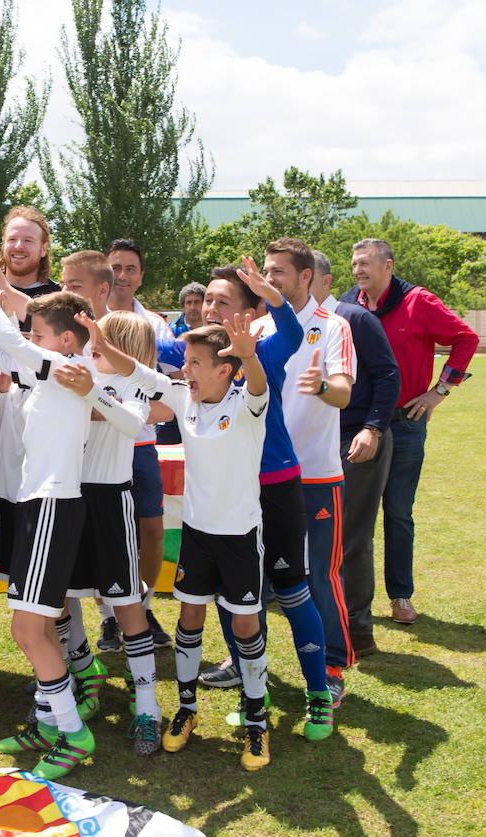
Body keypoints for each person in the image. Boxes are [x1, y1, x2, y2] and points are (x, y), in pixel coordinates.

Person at [157, 262, 336, 741]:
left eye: (222, 302)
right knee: (230, 600)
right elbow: (147, 347)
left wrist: (271, 297)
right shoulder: (201, 352)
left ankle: (320, 694)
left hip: (274, 486)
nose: (210, 308)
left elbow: (295, 331)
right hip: (224, 505)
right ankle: (253, 691)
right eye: (207, 300)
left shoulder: (264, 348)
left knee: (292, 591)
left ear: (249, 313)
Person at [86, 316, 272, 770]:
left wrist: (248, 355)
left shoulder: (246, 402)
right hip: (197, 535)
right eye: (184, 362)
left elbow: (258, 385)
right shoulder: (182, 397)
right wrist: (99, 342)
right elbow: (134, 368)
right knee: (190, 617)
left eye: (194, 363)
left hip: (241, 537)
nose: (184, 370)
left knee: (245, 628)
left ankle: (257, 720)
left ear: (223, 369)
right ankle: (186, 710)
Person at [0, 261, 97, 780]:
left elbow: (15, 347)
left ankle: (73, 733)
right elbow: (27, 383)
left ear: (62, 342)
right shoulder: (55, 375)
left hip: (53, 507)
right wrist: (9, 385)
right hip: (37, 505)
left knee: (27, 628)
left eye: (38, 333)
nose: (28, 338)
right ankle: (50, 722)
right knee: (33, 624)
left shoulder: (69, 367)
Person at [340, 239, 478, 625]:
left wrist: (439, 392)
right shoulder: (348, 303)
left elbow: (466, 338)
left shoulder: (419, 302)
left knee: (398, 512)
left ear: (388, 265)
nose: (358, 271)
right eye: (354, 264)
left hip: (405, 423)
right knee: (354, 516)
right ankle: (349, 598)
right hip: (359, 425)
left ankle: (400, 596)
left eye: (365, 263)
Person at [55, 310, 164, 756]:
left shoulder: (138, 384)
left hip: (110, 501)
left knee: (125, 605)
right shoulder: (75, 373)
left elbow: (130, 422)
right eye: (92, 338)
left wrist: (91, 393)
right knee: (58, 595)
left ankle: (148, 707)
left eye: (104, 338)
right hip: (66, 498)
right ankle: (83, 674)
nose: (92, 343)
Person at [256, 237, 356, 708]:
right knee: (251, 575)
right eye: (267, 271)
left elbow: (342, 394)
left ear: (306, 277)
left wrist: (320, 387)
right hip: (258, 478)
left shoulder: (333, 326)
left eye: (280, 272)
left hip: (315, 475)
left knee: (319, 576)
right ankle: (246, 663)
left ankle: (332, 666)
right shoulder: (255, 328)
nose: (271, 279)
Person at [311, 251, 400, 656]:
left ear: (322, 281)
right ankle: (329, 624)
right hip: (316, 443)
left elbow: (387, 374)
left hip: (356, 441)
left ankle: (359, 631)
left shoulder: (354, 318)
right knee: (321, 540)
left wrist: (372, 428)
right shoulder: (294, 326)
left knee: (351, 539)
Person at [105, 239, 175, 650]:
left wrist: (138, 412)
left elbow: (172, 387)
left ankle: (143, 607)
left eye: (131, 268)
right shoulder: (84, 321)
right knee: (106, 533)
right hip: (96, 445)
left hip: (141, 443)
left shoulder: (156, 325)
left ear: (140, 276)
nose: (123, 276)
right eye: (115, 267)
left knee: (150, 530)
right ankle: (109, 618)